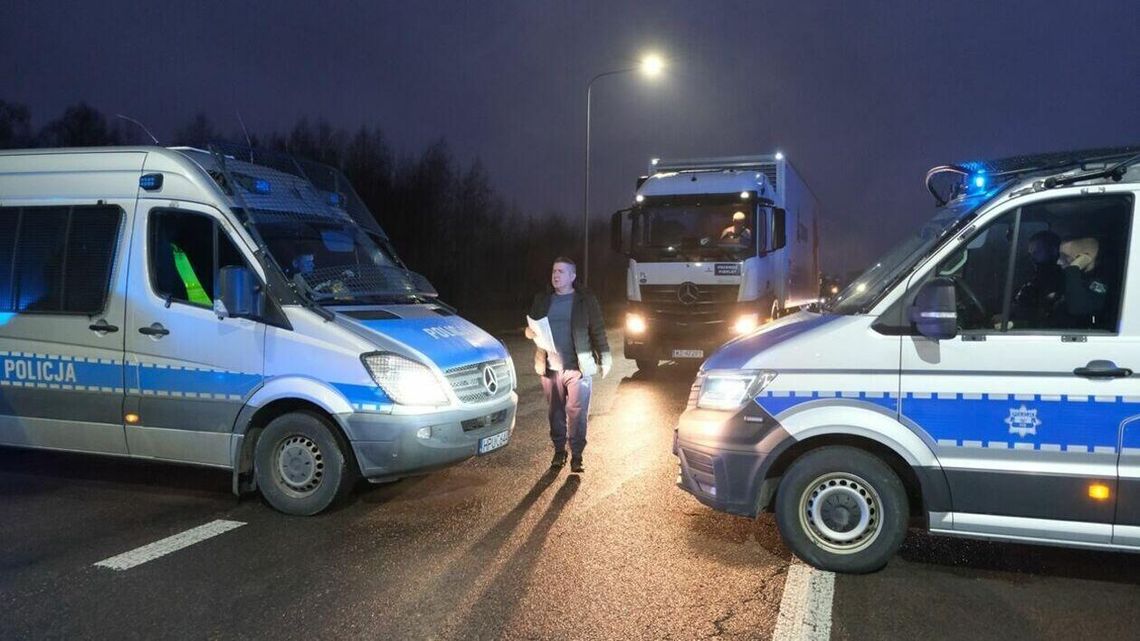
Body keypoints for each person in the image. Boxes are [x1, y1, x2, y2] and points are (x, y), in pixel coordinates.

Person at [526, 257, 611, 473]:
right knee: (555, 412)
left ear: (572, 276)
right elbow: (531, 327)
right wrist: (528, 332)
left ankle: (577, 455)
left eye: (561, 272)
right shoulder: (543, 299)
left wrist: (605, 356)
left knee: (577, 412)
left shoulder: (585, 300)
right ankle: (559, 451)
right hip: (550, 368)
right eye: (554, 271)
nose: (556, 275)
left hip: (578, 368)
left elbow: (598, 330)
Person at [1010, 230, 1063, 327]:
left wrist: (1010, 321)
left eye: (1037, 252)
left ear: (1053, 251)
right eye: (1030, 253)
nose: (1032, 257)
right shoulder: (1032, 273)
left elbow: (1042, 313)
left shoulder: (1056, 278)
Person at [1055, 237, 1109, 329]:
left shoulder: (1099, 283)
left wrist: (1073, 269)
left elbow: (1078, 308)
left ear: (1084, 258)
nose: (1059, 262)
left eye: (1065, 256)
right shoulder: (1074, 277)